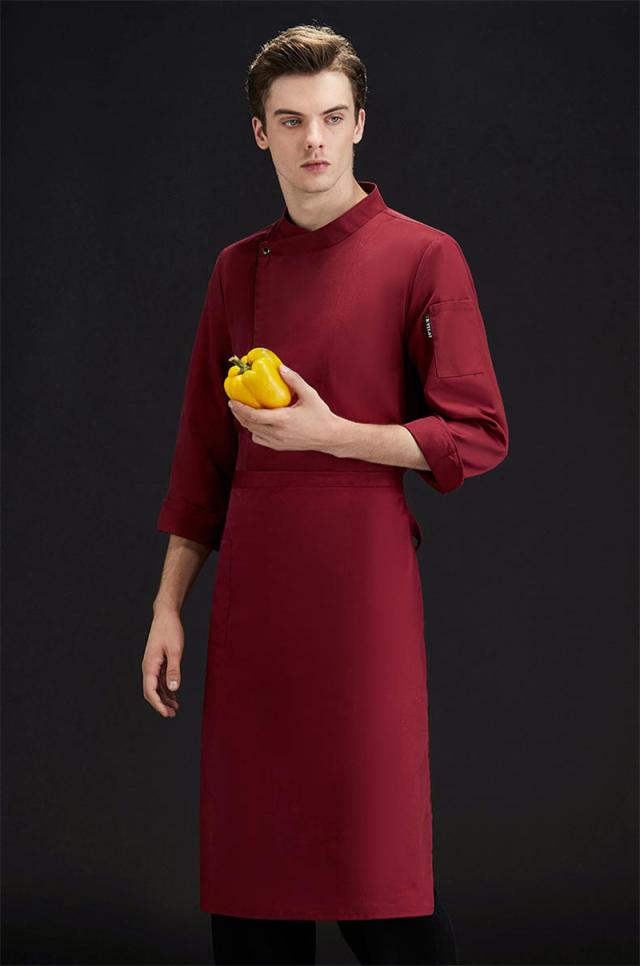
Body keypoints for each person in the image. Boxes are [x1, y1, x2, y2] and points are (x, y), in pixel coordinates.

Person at [142, 23, 508, 966]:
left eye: (333, 118)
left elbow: (476, 432)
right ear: (259, 132)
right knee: (254, 887)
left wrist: (333, 434)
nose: (315, 140)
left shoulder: (424, 257)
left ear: (360, 124)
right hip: (256, 604)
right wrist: (169, 605)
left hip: (360, 598)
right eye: (292, 120)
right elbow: (202, 457)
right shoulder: (236, 270)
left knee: (381, 870)